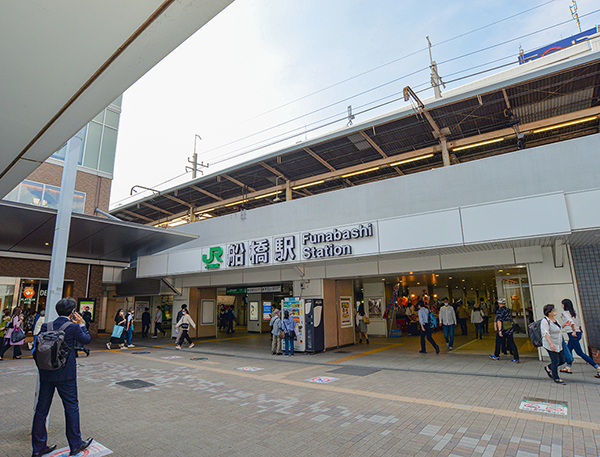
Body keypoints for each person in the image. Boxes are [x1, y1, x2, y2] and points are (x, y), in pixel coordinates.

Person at [32, 297, 93, 457]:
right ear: (73, 312)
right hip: (66, 374)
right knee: (71, 407)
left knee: (41, 410)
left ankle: (38, 448)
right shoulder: (73, 327)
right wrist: (80, 323)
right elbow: (86, 340)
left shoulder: (47, 325)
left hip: (46, 372)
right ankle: (75, 444)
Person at [560, 298, 600, 377]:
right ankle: (568, 366)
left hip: (573, 334)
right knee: (569, 349)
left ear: (565, 305)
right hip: (578, 333)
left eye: (562, 304)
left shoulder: (565, 312)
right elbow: (576, 321)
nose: (561, 305)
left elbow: (571, 322)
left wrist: (573, 331)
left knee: (580, 353)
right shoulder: (574, 312)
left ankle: (597, 367)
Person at [541, 303, 566, 385]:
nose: (555, 311)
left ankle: (548, 368)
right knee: (555, 361)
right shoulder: (545, 321)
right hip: (550, 344)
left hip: (558, 343)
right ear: (549, 312)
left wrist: (565, 325)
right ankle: (556, 377)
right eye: (553, 310)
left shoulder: (555, 320)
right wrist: (551, 344)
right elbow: (546, 333)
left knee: (562, 360)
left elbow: (557, 329)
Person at [489, 298, 519, 363]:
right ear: (505, 303)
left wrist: (499, 330)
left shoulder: (499, 311)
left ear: (499, 303)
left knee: (498, 343)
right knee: (512, 343)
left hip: (503, 329)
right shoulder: (508, 310)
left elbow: (499, 321)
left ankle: (496, 355)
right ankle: (516, 357)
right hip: (509, 329)